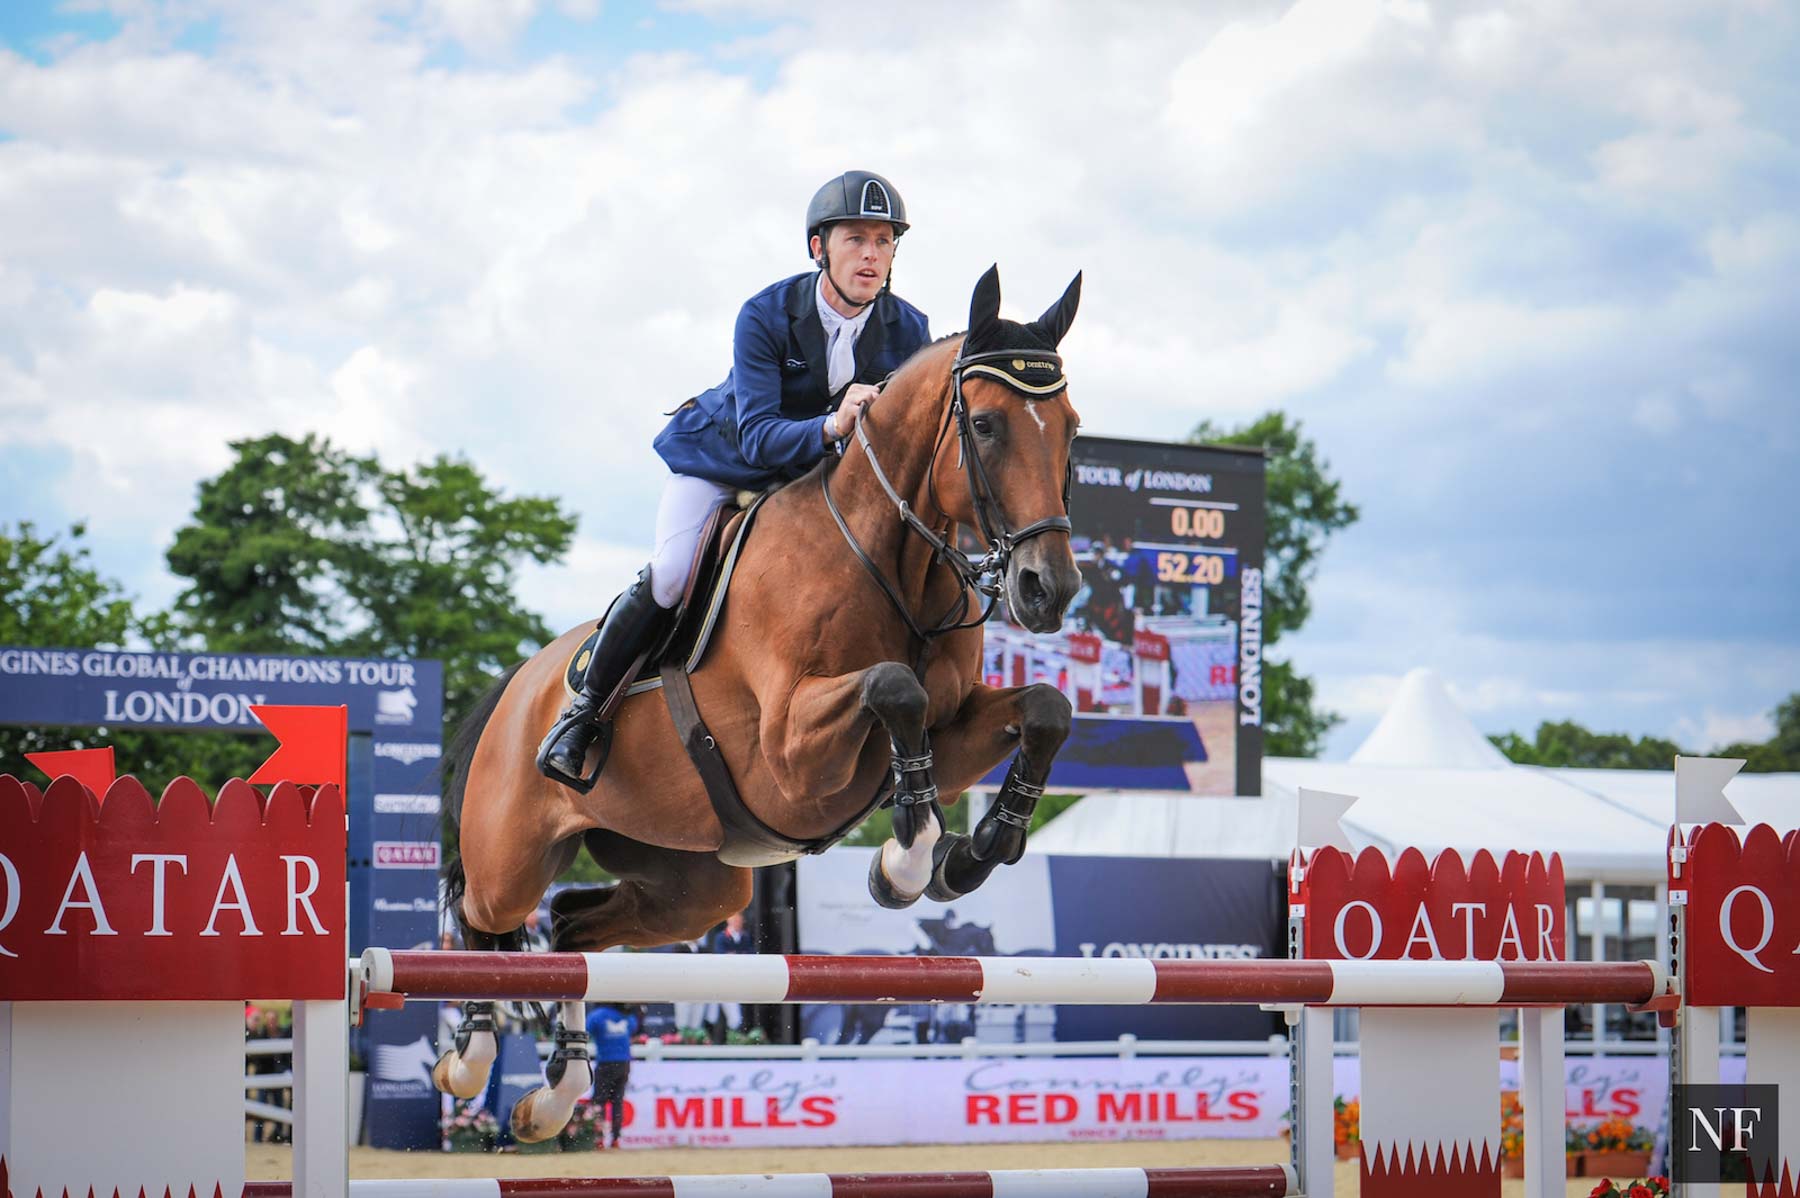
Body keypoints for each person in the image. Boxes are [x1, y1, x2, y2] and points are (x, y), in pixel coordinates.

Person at [539, 170, 932, 788]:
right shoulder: (766, 314)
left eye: (884, 242)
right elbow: (758, 436)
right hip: (726, 461)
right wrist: (833, 425)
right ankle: (583, 713)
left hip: (813, 482)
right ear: (818, 248)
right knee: (670, 576)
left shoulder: (909, 329)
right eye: (856, 239)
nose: (872, 255)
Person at [585, 1000, 639, 1150]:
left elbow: (585, 1031)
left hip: (606, 1062)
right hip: (624, 1062)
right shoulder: (626, 1016)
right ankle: (615, 1138)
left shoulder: (596, 1016)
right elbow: (633, 1028)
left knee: (599, 1101)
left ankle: (599, 1138)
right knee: (617, 1101)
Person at [704, 910, 755, 1040]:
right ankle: (711, 1040)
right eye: (734, 920)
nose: (737, 923)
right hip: (721, 980)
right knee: (712, 1014)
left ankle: (731, 1040)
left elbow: (750, 953)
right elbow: (721, 955)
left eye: (739, 920)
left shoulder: (745, 936)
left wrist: (735, 955)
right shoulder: (721, 937)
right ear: (729, 921)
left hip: (736, 981)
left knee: (735, 1016)